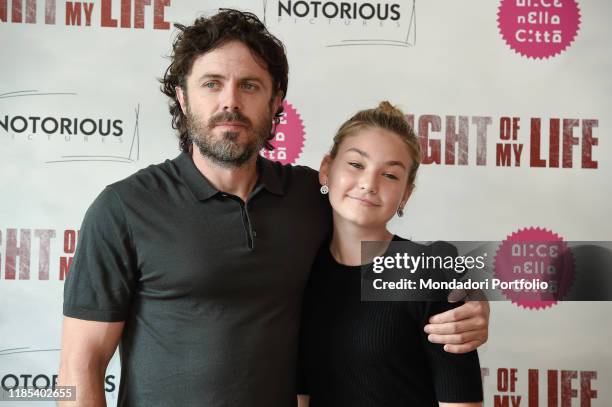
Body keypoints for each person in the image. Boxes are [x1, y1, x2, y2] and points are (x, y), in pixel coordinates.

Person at [58, 9, 489, 407]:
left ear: (276, 100)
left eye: (249, 85)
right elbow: (77, 368)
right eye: (211, 83)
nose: (231, 102)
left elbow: (382, 259)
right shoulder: (124, 208)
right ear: (183, 98)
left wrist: (467, 300)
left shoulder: (310, 196)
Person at [297, 102, 483, 406]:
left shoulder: (430, 272)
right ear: (326, 170)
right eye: (356, 165)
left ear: (405, 195)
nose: (369, 184)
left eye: (390, 175)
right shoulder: (300, 268)